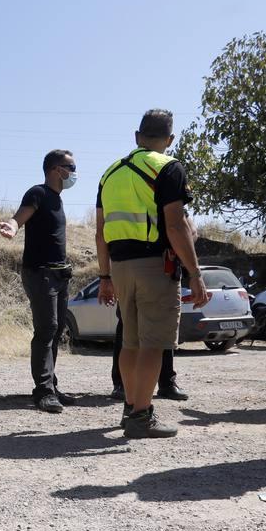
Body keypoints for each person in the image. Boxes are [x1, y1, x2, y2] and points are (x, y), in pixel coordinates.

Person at [95, 109, 210, 438]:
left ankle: (131, 408)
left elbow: (100, 232)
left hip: (119, 267)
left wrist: (104, 277)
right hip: (154, 267)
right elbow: (175, 225)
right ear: (170, 139)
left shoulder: (110, 173)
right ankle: (142, 417)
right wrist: (195, 273)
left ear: (136, 136)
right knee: (154, 344)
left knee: (129, 343)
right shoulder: (168, 167)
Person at [0, 149, 81, 412]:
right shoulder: (39, 192)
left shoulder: (58, 199)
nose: (74, 173)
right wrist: (12, 225)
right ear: (57, 169)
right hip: (40, 273)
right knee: (46, 329)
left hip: (59, 273)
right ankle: (43, 392)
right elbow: (21, 215)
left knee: (55, 331)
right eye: (71, 167)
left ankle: (51, 386)